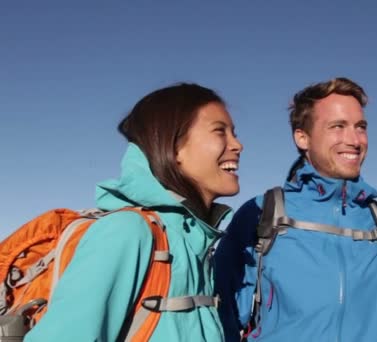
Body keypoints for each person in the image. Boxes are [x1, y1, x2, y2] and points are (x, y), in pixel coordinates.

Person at [215, 77, 377, 341]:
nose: (354, 140)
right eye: (337, 126)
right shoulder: (261, 215)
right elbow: (221, 318)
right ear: (302, 137)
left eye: (360, 126)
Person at [25, 83, 243, 341]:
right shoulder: (128, 231)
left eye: (234, 133)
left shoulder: (195, 243)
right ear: (173, 148)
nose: (238, 145)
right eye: (220, 132)